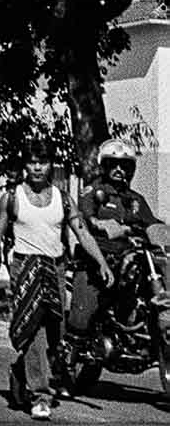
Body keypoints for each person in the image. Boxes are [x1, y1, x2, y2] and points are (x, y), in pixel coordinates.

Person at [0, 142, 111, 420]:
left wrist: (101, 261)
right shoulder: (12, 197)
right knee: (34, 330)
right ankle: (41, 395)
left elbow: (82, 233)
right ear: (25, 166)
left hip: (55, 267)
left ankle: (21, 371)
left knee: (56, 333)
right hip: (25, 266)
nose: (37, 168)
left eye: (43, 162)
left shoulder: (63, 198)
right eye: (32, 162)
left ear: (50, 166)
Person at [67, 138, 168, 343]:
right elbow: (86, 215)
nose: (119, 169)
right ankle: (71, 351)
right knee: (82, 318)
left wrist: (164, 233)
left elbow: (152, 224)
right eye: (113, 164)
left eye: (124, 165)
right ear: (104, 166)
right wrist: (99, 223)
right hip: (98, 259)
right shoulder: (94, 192)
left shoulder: (136, 199)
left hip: (127, 257)